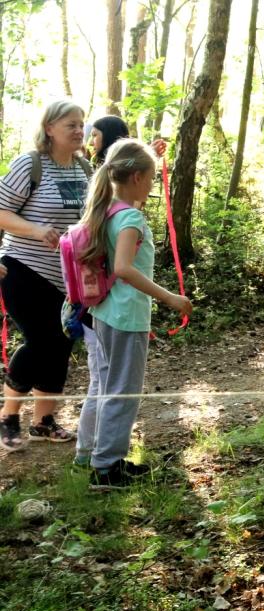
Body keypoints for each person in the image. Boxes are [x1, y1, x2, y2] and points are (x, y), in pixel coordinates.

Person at [75, 138, 192, 489]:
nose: (153, 184)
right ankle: (106, 469)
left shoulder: (107, 209)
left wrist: (148, 154)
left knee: (107, 386)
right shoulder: (130, 218)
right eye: (151, 177)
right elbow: (124, 268)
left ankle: (95, 456)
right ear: (138, 177)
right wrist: (170, 298)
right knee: (123, 391)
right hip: (126, 317)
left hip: (104, 313)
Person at [0, 100, 93, 451]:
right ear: (50, 128)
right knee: (41, 341)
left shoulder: (84, 168)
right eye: (71, 124)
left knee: (61, 343)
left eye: (81, 124)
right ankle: (8, 416)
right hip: (23, 268)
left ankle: (43, 421)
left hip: (68, 277)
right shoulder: (30, 164)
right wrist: (37, 230)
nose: (79, 130)